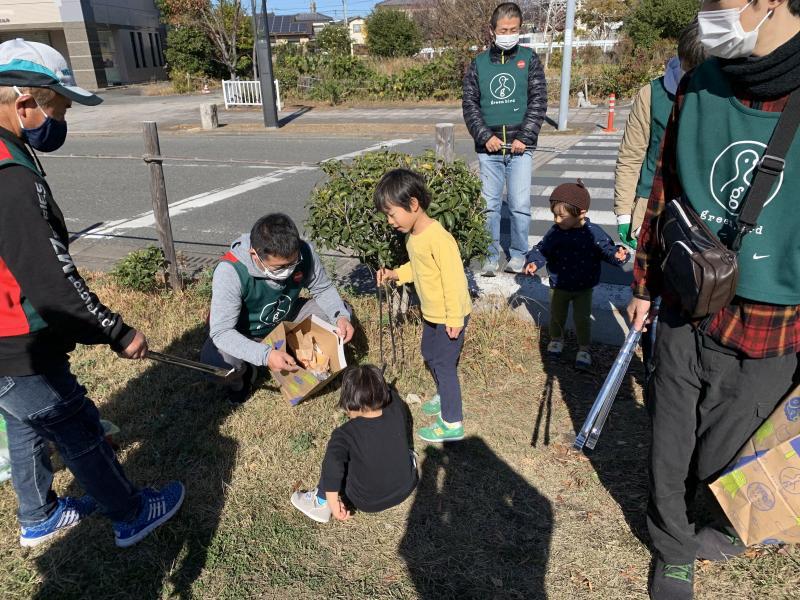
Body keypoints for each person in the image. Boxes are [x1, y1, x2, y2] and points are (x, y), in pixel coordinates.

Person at [626, 2, 800, 598]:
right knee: (669, 438)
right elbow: (664, 190)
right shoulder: (697, 85)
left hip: (775, 318)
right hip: (687, 295)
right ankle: (673, 545)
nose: (706, 11)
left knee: (726, 446)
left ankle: (715, 512)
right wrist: (644, 286)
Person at [0, 39, 183, 548]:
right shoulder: (10, 177)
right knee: (76, 425)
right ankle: (130, 512)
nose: (61, 122)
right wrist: (117, 331)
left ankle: (38, 515)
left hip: (10, 340)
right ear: (24, 104)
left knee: (25, 424)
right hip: (16, 340)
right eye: (58, 108)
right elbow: (52, 281)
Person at [201, 213, 354, 403]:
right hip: (244, 333)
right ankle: (244, 377)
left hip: (286, 318)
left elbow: (322, 288)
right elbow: (222, 332)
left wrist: (341, 317)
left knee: (338, 313)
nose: (288, 270)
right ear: (254, 255)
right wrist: (265, 355)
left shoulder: (304, 251)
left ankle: (302, 354)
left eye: (293, 263)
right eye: (279, 267)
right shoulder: (230, 272)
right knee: (218, 364)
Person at [374, 169, 472, 443]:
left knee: (443, 364)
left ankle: (452, 421)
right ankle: (444, 395)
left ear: (413, 204)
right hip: (433, 313)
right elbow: (418, 268)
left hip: (450, 314)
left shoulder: (438, 238)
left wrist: (454, 318)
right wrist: (395, 274)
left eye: (392, 214)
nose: (390, 221)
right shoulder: (414, 237)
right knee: (429, 352)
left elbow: (454, 281)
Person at [462, 2, 548, 276]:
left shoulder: (529, 59)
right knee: (490, 205)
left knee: (520, 204)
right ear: (492, 31)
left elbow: (538, 101)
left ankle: (519, 254)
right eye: (503, 30)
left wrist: (525, 136)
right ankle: (489, 255)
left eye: (513, 30)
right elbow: (470, 105)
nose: (508, 34)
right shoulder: (478, 64)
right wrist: (484, 136)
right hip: (489, 151)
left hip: (520, 149)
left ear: (519, 29)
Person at [614, 19, 707, 250]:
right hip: (653, 204)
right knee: (648, 283)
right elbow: (631, 155)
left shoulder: (720, 95)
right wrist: (624, 212)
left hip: (703, 208)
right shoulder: (652, 94)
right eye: (688, 69)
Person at [290, 364, 418, 523]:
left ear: (349, 404)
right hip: (407, 485)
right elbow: (391, 392)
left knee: (338, 458)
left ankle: (321, 502)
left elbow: (333, 465)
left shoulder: (345, 434)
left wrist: (333, 502)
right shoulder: (396, 406)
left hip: (368, 501)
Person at [524, 181, 629, 370]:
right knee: (557, 315)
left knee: (582, 318)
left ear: (581, 212)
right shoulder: (556, 232)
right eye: (554, 215)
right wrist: (533, 261)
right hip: (558, 286)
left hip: (583, 288)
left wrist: (617, 255)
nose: (556, 220)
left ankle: (584, 348)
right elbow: (542, 249)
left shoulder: (593, 233)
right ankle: (556, 339)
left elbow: (607, 250)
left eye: (561, 216)